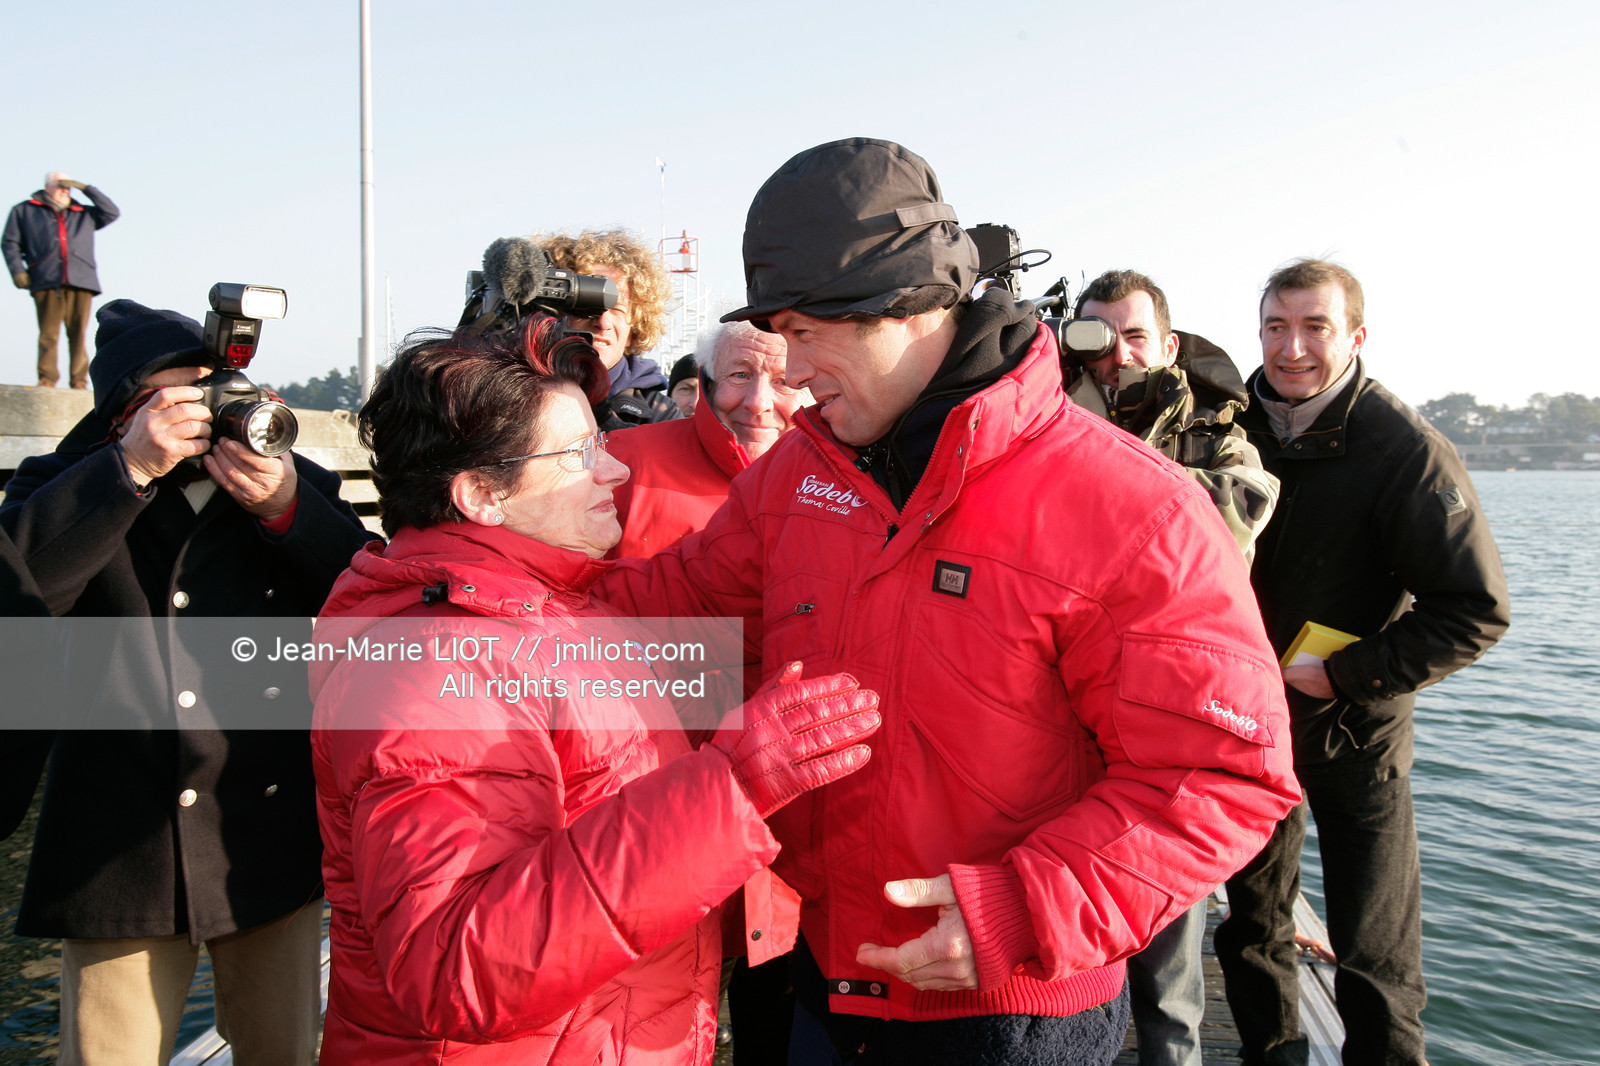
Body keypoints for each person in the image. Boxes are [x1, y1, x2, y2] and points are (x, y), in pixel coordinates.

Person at [595, 137, 1302, 1066]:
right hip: (825, 984)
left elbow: (1226, 773)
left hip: (1011, 1011)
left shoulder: (1136, 509)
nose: (789, 371)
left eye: (804, 335)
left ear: (904, 308)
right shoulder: (798, 475)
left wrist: (1024, 909)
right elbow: (669, 611)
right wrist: (420, 625)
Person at [309, 316, 881, 1064]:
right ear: (482, 493)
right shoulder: (432, 669)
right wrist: (731, 788)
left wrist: (837, 426)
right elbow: (456, 965)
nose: (614, 472)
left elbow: (713, 575)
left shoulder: (558, 601)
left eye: (602, 444)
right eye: (579, 455)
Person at [0, 299, 375, 1065]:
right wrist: (129, 470)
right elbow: (20, 598)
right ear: (125, 409)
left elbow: (366, 592)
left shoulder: (289, 477)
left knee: (284, 1050)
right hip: (119, 844)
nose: (203, 415)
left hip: (262, 833)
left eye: (214, 391)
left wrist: (284, 508)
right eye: (176, 397)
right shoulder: (66, 481)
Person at [1214, 258, 1510, 1066]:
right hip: (1248, 724)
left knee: (1376, 956)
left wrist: (1347, 675)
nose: (1293, 347)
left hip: (1357, 732)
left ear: (1356, 336)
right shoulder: (1225, 424)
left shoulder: (1405, 450)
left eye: (1315, 327)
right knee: (1251, 927)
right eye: (1276, 326)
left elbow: (1475, 610)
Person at [1066, 269, 1279, 1066]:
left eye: (1135, 336)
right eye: (1094, 335)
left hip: (1168, 724)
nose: (1114, 354)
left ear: (1170, 345)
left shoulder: (1214, 431)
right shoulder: (1041, 413)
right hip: (1061, 715)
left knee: (1168, 980)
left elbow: (1235, 516)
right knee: (1059, 965)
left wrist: (1095, 480)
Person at [608, 319, 810, 558]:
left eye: (784, 382)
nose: (757, 403)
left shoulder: (848, 482)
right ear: (711, 384)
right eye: (740, 375)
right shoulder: (620, 462)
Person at [539, 228, 682, 430]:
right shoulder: (510, 394)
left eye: (617, 309)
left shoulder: (661, 417)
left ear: (633, 331)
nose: (603, 322)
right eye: (587, 306)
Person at [3, 172, 120, 389]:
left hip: (81, 279)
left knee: (78, 333)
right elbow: (9, 242)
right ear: (46, 187)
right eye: (60, 185)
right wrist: (18, 271)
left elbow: (111, 212)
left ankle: (79, 381)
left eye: (69, 186)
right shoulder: (25, 210)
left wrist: (85, 188)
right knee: (48, 334)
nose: (65, 190)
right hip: (45, 278)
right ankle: (47, 378)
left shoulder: (83, 213)